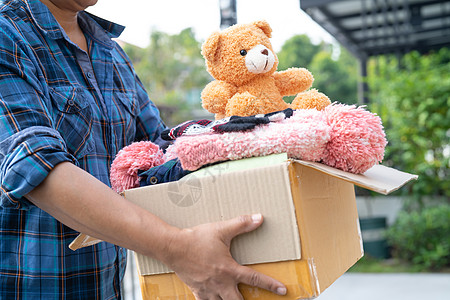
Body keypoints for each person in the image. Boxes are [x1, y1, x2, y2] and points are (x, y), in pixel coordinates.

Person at [0, 0, 287, 299]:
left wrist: (249, 132)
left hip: (105, 287)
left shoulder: (110, 52)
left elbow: (160, 149)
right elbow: (35, 165)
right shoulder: (7, 35)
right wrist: (178, 249)